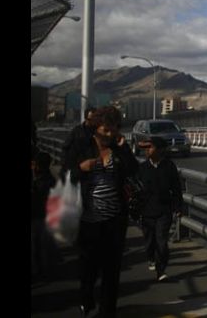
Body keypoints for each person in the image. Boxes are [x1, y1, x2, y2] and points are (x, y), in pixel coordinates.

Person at [63, 105, 139, 317]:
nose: (109, 135)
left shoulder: (118, 148)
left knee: (112, 272)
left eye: (113, 130)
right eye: (105, 130)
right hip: (88, 221)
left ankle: (107, 312)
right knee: (88, 270)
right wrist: (81, 169)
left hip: (115, 222)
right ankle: (86, 299)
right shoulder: (82, 146)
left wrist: (124, 149)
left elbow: (135, 171)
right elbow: (64, 175)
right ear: (96, 127)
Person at [137, 136, 183, 282]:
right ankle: (151, 257)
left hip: (164, 211)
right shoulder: (142, 168)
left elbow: (176, 188)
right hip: (146, 212)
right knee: (149, 242)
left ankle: (161, 270)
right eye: (145, 148)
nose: (147, 151)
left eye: (150, 147)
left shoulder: (169, 166)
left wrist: (178, 207)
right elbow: (136, 191)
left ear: (160, 150)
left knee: (162, 242)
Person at [31, 150, 57, 280]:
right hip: (43, 216)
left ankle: (40, 270)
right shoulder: (50, 180)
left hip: (39, 216)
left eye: (35, 164)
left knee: (39, 245)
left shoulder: (42, 182)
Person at [61, 107, 97, 181]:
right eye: (90, 119)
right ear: (86, 118)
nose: (93, 122)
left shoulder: (99, 132)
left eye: (94, 119)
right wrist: (65, 166)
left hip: (93, 170)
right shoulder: (76, 131)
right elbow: (65, 147)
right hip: (78, 169)